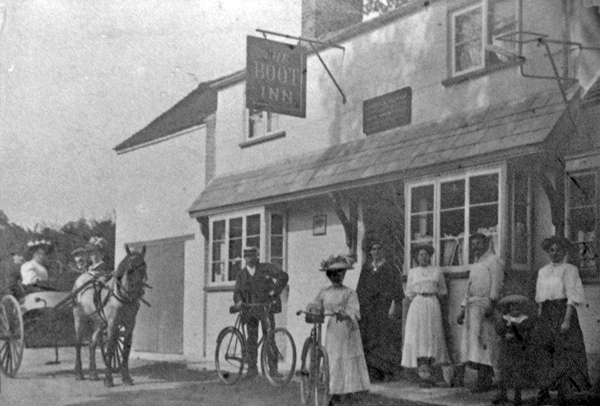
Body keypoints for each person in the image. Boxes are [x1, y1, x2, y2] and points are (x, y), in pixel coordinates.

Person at [534, 236, 591, 406]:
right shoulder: (542, 271)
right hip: (546, 314)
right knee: (545, 352)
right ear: (547, 252)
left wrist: (566, 320)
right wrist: (539, 319)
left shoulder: (570, 269)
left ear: (564, 251)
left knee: (563, 352)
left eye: (558, 249)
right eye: (551, 250)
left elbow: (572, 296)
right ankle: (544, 391)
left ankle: (563, 392)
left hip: (564, 312)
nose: (554, 253)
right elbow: (540, 298)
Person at [307, 254, 370, 404]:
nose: (337, 277)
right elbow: (316, 304)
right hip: (332, 329)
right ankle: (334, 391)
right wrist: (313, 308)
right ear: (329, 276)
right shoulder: (325, 291)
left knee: (346, 357)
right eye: (334, 274)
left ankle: (348, 391)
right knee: (333, 358)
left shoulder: (349, 292)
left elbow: (354, 310)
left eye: (340, 274)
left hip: (347, 329)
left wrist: (346, 314)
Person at [455, 233, 504, 392]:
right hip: (472, 307)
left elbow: (497, 283)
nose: (475, 247)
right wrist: (463, 309)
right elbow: (469, 288)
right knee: (474, 344)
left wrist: (492, 302)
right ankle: (480, 379)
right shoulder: (476, 263)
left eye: (479, 243)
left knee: (485, 343)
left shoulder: (494, 261)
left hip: (485, 306)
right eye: (473, 244)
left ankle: (486, 380)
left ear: (487, 243)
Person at [233, 246, 289, 379]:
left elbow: (283, 276)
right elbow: (237, 293)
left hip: (266, 309)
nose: (249, 259)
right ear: (244, 258)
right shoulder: (241, 275)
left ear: (257, 256)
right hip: (250, 310)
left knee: (270, 337)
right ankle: (252, 370)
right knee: (251, 340)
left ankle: (273, 370)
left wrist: (273, 292)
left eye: (252, 256)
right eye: (247, 256)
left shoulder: (266, 268)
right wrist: (239, 302)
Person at [401, 245, 450, 387]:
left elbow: (442, 291)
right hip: (418, 305)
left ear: (430, 256)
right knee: (419, 338)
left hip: (433, 304)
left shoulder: (437, 271)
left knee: (431, 337)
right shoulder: (412, 272)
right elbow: (409, 293)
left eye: (426, 254)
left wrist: (432, 298)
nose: (424, 257)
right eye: (421, 254)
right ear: (416, 257)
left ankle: (431, 373)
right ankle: (423, 376)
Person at [356, 240, 403, 382]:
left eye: (378, 248)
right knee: (370, 338)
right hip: (369, 309)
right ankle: (373, 372)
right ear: (370, 252)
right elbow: (360, 289)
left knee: (385, 338)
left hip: (384, 308)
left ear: (383, 250)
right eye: (373, 249)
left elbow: (396, 289)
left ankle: (387, 372)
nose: (375, 251)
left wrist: (393, 306)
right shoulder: (366, 268)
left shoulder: (390, 268)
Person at [492, 294, 535, 406]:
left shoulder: (524, 320)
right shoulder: (505, 318)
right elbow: (499, 330)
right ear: (508, 308)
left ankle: (517, 395)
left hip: (517, 349)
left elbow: (526, 335)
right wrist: (504, 331)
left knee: (517, 373)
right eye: (512, 307)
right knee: (504, 371)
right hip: (506, 349)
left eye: (517, 307)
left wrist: (516, 334)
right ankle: (502, 393)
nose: (514, 309)